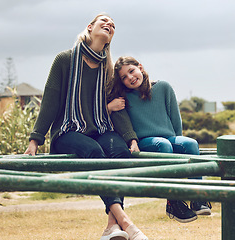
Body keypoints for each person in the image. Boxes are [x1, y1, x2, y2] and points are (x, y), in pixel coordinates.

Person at [24, 14, 148, 240]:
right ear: (90, 28)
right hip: (67, 131)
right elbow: (50, 101)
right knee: (95, 152)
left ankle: (112, 225)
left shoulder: (108, 69)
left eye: (113, 25)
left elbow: (118, 107)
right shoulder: (65, 59)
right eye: (104, 21)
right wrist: (35, 139)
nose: (109, 24)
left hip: (98, 130)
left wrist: (130, 139)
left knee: (119, 151)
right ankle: (126, 223)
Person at [108, 56, 212, 224]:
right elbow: (124, 126)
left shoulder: (163, 87)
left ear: (140, 67)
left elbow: (175, 119)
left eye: (131, 71)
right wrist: (132, 142)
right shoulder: (122, 98)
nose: (130, 78)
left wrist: (179, 143)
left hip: (170, 138)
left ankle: (197, 196)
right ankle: (173, 202)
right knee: (163, 145)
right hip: (145, 142)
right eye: (124, 78)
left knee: (191, 143)